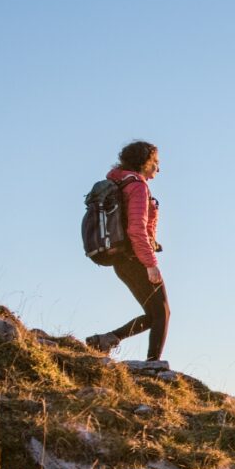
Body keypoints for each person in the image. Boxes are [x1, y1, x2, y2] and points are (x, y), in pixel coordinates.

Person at [85, 140, 169, 365]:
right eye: (155, 163)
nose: (157, 169)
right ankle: (153, 365)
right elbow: (136, 229)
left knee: (154, 314)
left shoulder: (119, 181)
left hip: (122, 260)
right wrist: (151, 264)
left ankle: (107, 339)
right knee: (162, 313)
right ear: (144, 162)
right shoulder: (138, 186)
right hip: (135, 258)